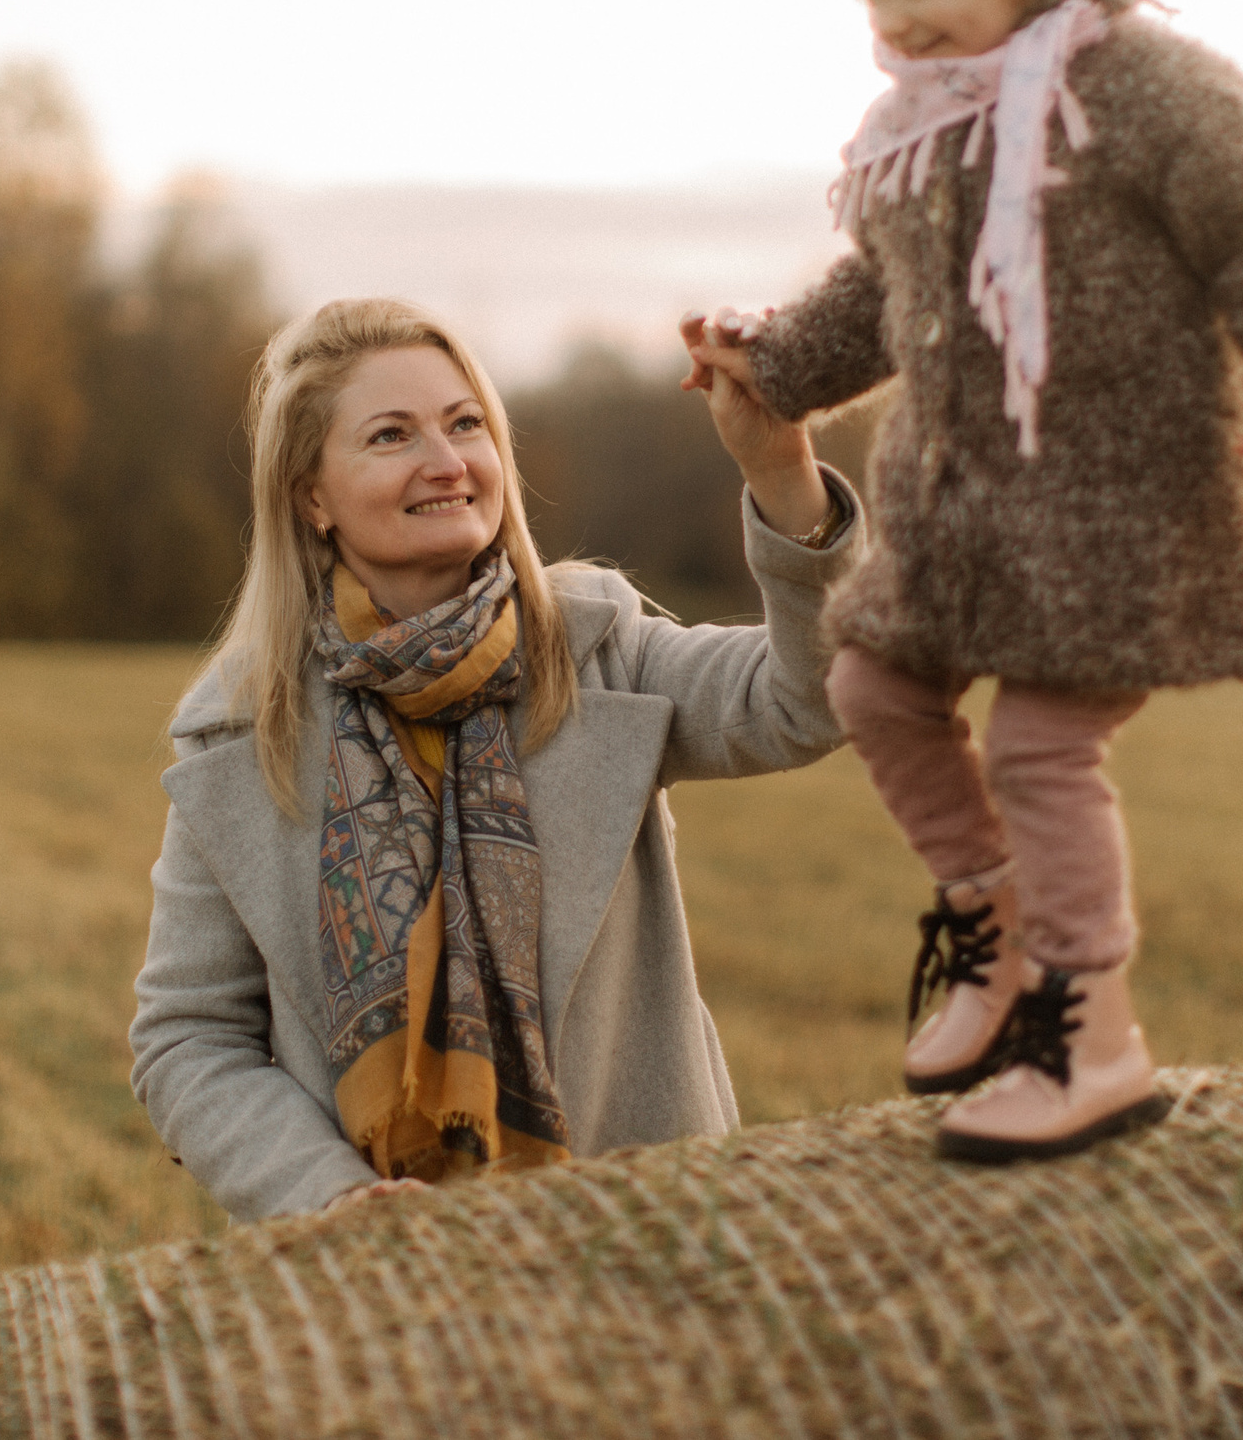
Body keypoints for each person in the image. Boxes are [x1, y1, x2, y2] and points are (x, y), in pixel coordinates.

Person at [682, 0, 1243, 1163]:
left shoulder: (1149, 89)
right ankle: (987, 921)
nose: (890, 15)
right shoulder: (921, 130)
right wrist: (775, 363)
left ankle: (1092, 1025)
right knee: (873, 677)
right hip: (961, 528)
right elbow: (880, 296)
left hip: (1113, 518)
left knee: (1048, 742)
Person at [130, 297, 864, 1218]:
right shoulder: (246, 731)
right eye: (392, 435)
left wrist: (779, 468)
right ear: (310, 494)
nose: (446, 462)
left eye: (465, 423)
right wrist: (332, 1201)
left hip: (649, 1230)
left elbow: (812, 696)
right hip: (381, 1279)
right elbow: (190, 1039)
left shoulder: (597, 647)